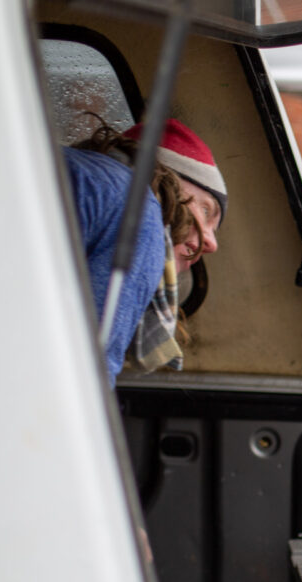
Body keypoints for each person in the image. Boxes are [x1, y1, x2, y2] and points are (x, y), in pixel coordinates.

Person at [65, 118, 225, 383]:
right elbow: (86, 377)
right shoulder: (140, 212)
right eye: (206, 211)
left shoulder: (81, 174)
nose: (212, 244)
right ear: (169, 175)